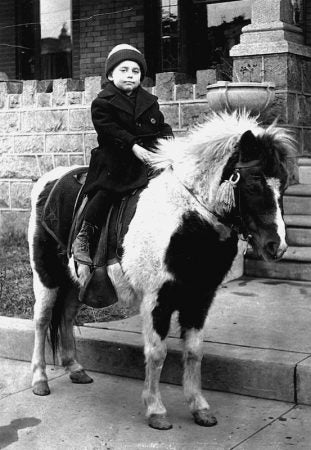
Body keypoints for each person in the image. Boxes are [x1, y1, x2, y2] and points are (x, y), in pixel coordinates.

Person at [72, 44, 174, 265]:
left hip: (147, 156)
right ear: (110, 75)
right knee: (108, 190)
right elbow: (109, 130)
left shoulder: (150, 102)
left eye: (135, 71)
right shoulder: (102, 103)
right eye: (124, 70)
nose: (130, 75)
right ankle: (85, 236)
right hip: (114, 158)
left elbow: (162, 127)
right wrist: (133, 146)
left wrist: (170, 143)